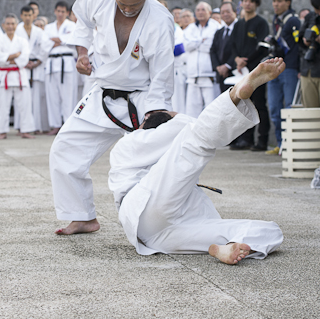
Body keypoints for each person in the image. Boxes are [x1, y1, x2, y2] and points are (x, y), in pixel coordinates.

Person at [109, 58, 285, 263]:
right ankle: (235, 94)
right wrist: (171, 115)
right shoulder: (135, 140)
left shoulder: (139, 145)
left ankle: (223, 248)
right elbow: (192, 126)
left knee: (270, 231)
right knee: (195, 142)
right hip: (142, 205)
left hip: (158, 236)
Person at [50, 0, 174, 235]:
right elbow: (81, 19)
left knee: (158, 162)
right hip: (103, 93)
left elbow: (163, 75)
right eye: (123, 4)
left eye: (135, 5)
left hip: (142, 97)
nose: (128, 10)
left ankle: (160, 220)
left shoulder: (160, 20)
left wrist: (155, 114)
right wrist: (82, 52)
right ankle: (82, 216)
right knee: (65, 148)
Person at [227, 0, 270, 151]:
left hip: (256, 71)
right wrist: (237, 59)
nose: (248, 4)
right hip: (240, 71)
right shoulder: (238, 25)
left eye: (251, 1)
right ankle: (245, 139)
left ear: (256, 4)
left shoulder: (261, 23)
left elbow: (262, 46)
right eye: (245, 0)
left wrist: (247, 60)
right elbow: (233, 45)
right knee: (242, 104)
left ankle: (262, 140)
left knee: (259, 104)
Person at [266, 0, 302, 155]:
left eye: (279, 1)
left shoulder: (293, 20)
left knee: (289, 107)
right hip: (275, 68)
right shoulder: (276, 20)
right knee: (274, 107)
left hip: (290, 68)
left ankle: (291, 145)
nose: (276, 4)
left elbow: (298, 46)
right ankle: (281, 144)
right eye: (274, 1)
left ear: (288, 2)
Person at [0, 14, 36, 139]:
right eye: (8, 24)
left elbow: (24, 58)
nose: (10, 26)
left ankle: (26, 130)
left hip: (19, 75)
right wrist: (14, 55)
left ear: (16, 25)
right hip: (4, 75)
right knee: (2, 105)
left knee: (25, 105)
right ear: (3, 25)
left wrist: (8, 58)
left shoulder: (22, 41)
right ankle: (1, 131)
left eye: (13, 24)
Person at [16, 6, 53, 134]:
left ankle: (36, 126)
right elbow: (14, 48)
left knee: (36, 99)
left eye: (29, 15)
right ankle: (21, 126)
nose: (27, 18)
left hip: (36, 66)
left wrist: (37, 62)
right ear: (21, 16)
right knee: (22, 98)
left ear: (33, 16)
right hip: (21, 66)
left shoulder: (39, 31)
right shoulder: (16, 30)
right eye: (25, 15)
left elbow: (46, 47)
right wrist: (23, 61)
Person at [184, 1, 222, 117]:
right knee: (192, 112)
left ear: (209, 12)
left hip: (209, 76)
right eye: (198, 10)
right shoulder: (190, 28)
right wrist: (202, 40)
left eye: (203, 10)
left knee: (212, 111)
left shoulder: (216, 27)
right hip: (192, 76)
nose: (200, 12)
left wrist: (195, 42)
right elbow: (187, 46)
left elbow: (213, 46)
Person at [44, 1, 77, 136]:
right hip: (52, 64)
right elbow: (44, 44)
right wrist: (61, 40)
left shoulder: (72, 25)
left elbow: (71, 41)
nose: (60, 14)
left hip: (67, 63)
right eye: (58, 11)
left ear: (67, 13)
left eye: (63, 12)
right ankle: (56, 125)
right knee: (52, 96)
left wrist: (57, 40)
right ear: (54, 12)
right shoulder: (48, 27)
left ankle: (67, 125)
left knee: (68, 96)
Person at [211, 1, 238, 94]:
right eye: (222, 12)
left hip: (235, 72)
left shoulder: (240, 28)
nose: (225, 14)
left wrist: (227, 66)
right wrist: (218, 67)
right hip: (221, 74)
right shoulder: (219, 32)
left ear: (235, 12)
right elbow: (213, 50)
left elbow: (238, 50)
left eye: (228, 11)